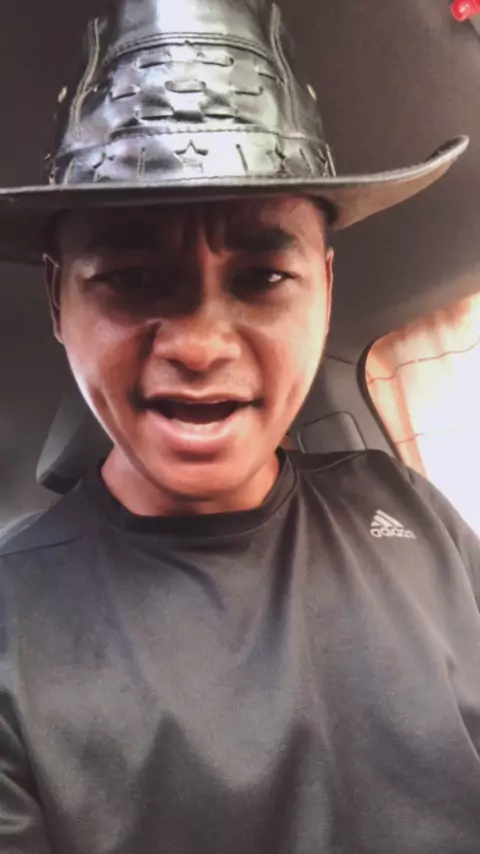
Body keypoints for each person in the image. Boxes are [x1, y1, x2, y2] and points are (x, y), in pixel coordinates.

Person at [0, 0, 477, 852]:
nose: (199, 345)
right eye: (132, 277)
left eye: (261, 277)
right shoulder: (9, 624)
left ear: (325, 289)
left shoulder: (409, 512)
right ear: (57, 301)